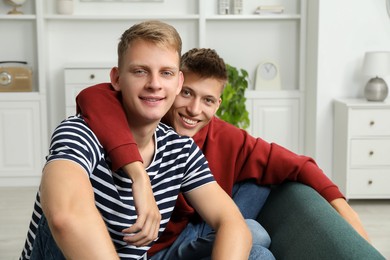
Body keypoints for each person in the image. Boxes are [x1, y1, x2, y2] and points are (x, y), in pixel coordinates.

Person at [76, 48, 371, 259]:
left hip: (194, 225)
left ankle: (242, 231)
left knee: (259, 197)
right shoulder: (145, 117)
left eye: (207, 100)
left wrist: (348, 216)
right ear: (175, 85)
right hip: (153, 245)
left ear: (217, 105)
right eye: (187, 93)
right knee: (256, 243)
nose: (193, 110)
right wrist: (138, 174)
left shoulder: (223, 136)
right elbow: (93, 96)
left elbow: (298, 165)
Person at [20, 21, 253, 260]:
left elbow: (231, 222)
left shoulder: (181, 150)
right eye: (140, 71)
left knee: (256, 253)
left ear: (179, 82)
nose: (154, 84)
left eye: (166, 73)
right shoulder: (79, 132)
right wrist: (139, 177)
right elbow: (64, 217)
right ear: (117, 78)